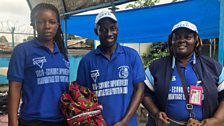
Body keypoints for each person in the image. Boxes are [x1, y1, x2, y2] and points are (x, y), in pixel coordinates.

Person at [142, 21, 224, 126]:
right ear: (171, 41)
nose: (181, 40)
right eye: (176, 37)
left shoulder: (213, 67)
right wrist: (156, 113)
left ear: (196, 40)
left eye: (188, 37)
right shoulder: (156, 67)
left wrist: (216, 120)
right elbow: (144, 93)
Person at [76, 10, 145, 126]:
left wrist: (125, 121)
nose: (109, 33)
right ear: (96, 32)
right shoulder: (87, 61)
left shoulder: (131, 55)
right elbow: (81, 97)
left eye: (112, 28)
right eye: (103, 29)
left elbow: (140, 89)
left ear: (117, 29)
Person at [7, 3, 69, 126]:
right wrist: (12, 122)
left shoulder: (62, 52)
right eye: (41, 22)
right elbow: (15, 88)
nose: (47, 26)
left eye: (51, 22)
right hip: (34, 120)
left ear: (58, 25)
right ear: (33, 24)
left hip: (62, 120)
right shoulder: (23, 50)